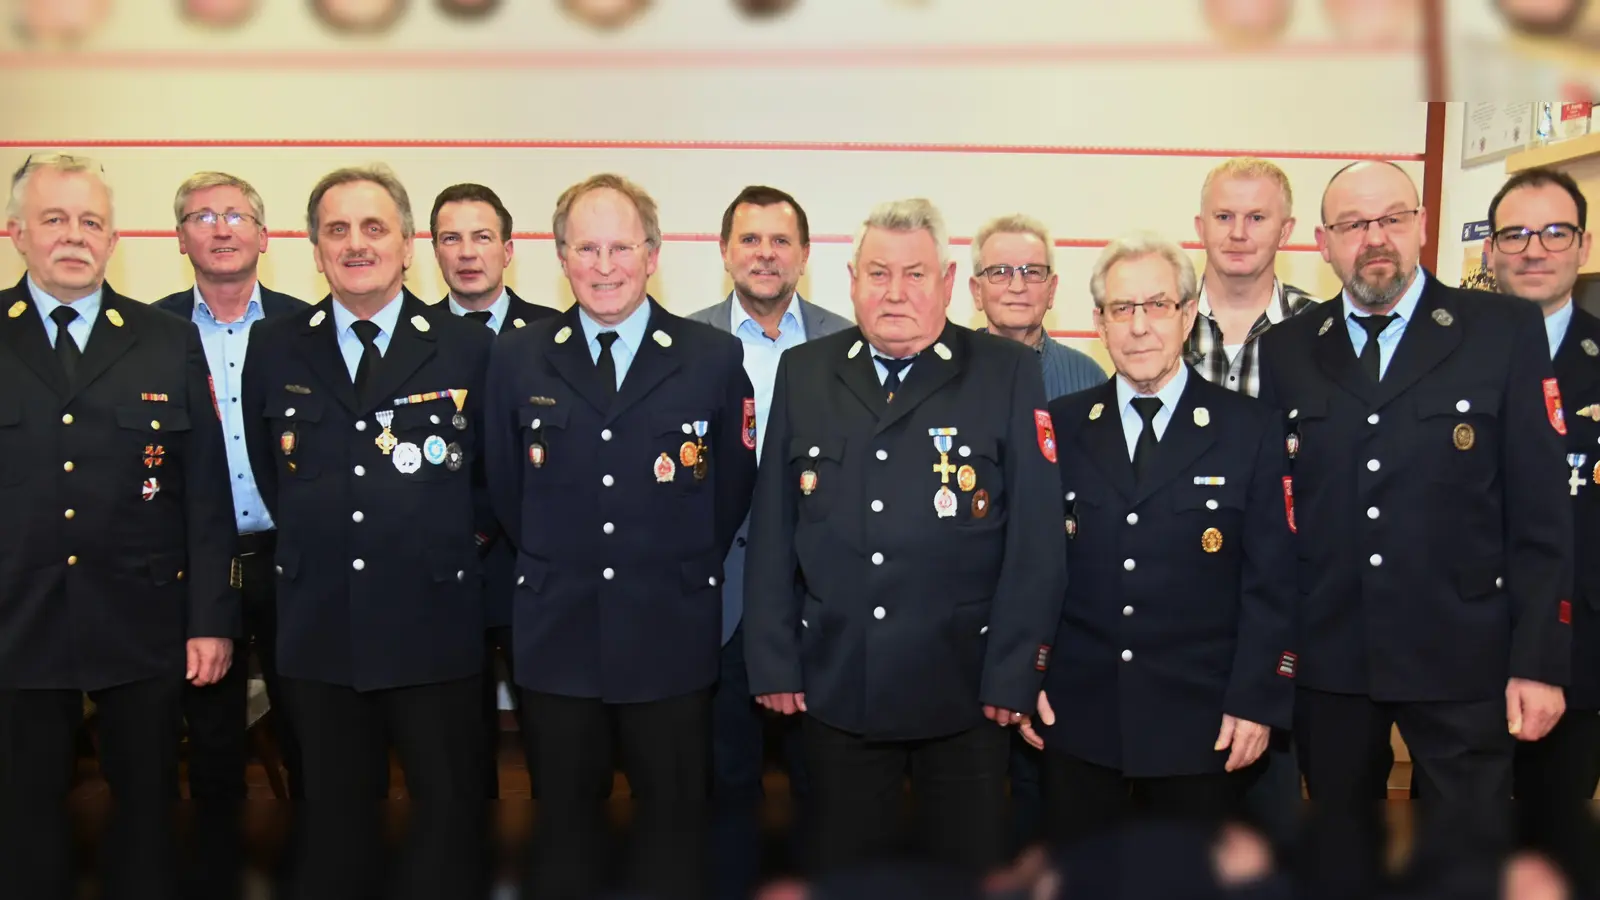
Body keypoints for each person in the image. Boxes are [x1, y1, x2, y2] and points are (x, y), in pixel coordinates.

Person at [1258, 160, 1573, 900]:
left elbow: (1541, 513)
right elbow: (1280, 514)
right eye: (1353, 224)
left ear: (1422, 225)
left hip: (1463, 657)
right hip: (1333, 662)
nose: (1375, 239)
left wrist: (1539, 661)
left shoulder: (1502, 331)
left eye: (1392, 219)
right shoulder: (1289, 348)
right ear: (1322, 243)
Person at [743, 197, 1066, 877]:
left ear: (946, 283)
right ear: (852, 280)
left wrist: (1015, 672)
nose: (895, 292)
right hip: (838, 682)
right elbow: (773, 529)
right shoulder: (807, 372)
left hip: (966, 689)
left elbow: (1037, 542)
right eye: (878, 273)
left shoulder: (1004, 371)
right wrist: (773, 661)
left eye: (915, 274)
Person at [484, 173, 757, 900]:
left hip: (669, 634)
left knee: (673, 832)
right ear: (561, 258)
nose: (604, 266)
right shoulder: (518, 357)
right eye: (586, 249)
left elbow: (729, 490)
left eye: (621, 248)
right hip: (558, 636)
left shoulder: (711, 356)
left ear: (653, 255)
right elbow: (506, 487)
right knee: (565, 833)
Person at [240, 164, 493, 899]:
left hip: (433, 626)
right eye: (337, 230)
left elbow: (493, 484)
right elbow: (274, 471)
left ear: (408, 245)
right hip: (319, 631)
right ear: (316, 250)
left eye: (374, 228)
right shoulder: (275, 345)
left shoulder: (468, 347)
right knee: (335, 833)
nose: (356, 243)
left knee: (448, 829)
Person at [0, 151, 239, 900]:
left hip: (142, 621)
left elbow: (205, 495)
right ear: (17, 233)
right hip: (15, 624)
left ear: (112, 239)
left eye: (91, 221)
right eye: (55, 219)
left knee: (147, 816)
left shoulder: (165, 339)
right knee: (22, 820)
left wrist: (210, 619)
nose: (75, 235)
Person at [1018, 231, 1295, 845]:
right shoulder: (1060, 427)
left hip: (1201, 725)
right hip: (1079, 717)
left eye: (1157, 306)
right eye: (1121, 308)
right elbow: (1032, 569)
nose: (1139, 326)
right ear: (1099, 322)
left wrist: (1257, 699)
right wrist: (1026, 675)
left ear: (1188, 314)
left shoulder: (1248, 429)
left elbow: (1273, 581)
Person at [686, 184, 852, 900]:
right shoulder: (687, 344)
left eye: (781, 241)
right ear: (724, 251)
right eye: (750, 239)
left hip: (821, 603)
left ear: (805, 255)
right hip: (718, 599)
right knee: (727, 782)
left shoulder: (849, 344)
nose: (765, 254)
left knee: (827, 785)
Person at [154, 172, 308, 809]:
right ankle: (217, 850)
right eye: (203, 217)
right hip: (194, 562)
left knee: (309, 726)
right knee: (210, 734)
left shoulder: (306, 326)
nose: (221, 229)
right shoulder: (150, 332)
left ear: (264, 236)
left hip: (290, 553)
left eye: (237, 216)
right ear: (180, 238)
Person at [1184, 156, 1318, 846]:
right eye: (1224, 216)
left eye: (1257, 217)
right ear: (1199, 225)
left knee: (1273, 827)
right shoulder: (1160, 321)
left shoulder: (1322, 334)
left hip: (1284, 603)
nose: (1239, 233)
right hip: (1176, 612)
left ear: (1286, 230)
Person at [966, 212, 1103, 851]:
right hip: (967, 612)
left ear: (1053, 288)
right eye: (1000, 271)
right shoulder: (946, 372)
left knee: (1046, 788)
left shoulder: (1089, 377)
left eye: (1031, 271)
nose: (1017, 284)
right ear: (974, 289)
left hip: (1060, 612)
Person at [1483, 166, 1600, 896]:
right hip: (1460, 650)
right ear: (1490, 250)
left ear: (1583, 246)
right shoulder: (1444, 354)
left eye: (1555, 232)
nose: (1534, 249)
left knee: (1557, 851)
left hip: (1577, 651)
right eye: (1515, 234)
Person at [429, 181, 556, 798]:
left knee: (555, 738)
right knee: (455, 744)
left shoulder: (556, 335)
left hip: (535, 562)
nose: (466, 252)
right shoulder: (412, 338)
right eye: (450, 238)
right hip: (445, 564)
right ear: (433, 250)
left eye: (482, 237)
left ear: (508, 250)